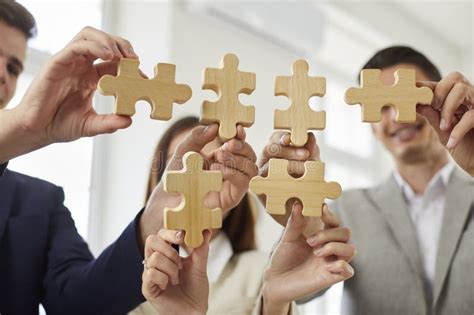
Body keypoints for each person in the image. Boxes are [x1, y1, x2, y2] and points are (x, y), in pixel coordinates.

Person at [0, 2, 254, 314]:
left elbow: (83, 305)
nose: (2, 74)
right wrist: (21, 125)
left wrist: (155, 216)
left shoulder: (41, 203)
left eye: (13, 67)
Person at [261, 46, 474, 314]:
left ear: (443, 100)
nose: (397, 116)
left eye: (408, 99)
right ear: (371, 125)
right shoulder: (344, 209)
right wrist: (294, 232)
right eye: (383, 107)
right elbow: (294, 293)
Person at [138, 119, 356, 314]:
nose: (198, 179)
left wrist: (274, 304)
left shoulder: (263, 270)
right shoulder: (133, 283)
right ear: (158, 182)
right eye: (180, 165)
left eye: (214, 167)